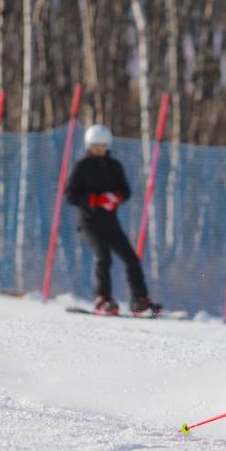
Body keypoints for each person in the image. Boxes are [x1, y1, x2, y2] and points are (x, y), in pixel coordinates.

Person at [65, 124, 161, 316]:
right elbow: (70, 194)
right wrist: (93, 200)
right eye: (95, 146)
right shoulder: (82, 167)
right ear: (88, 146)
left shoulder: (114, 166)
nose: (98, 150)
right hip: (89, 222)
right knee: (103, 256)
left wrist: (116, 197)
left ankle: (138, 302)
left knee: (131, 259)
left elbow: (125, 190)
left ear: (107, 146)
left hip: (110, 222)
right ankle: (103, 299)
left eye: (102, 146)